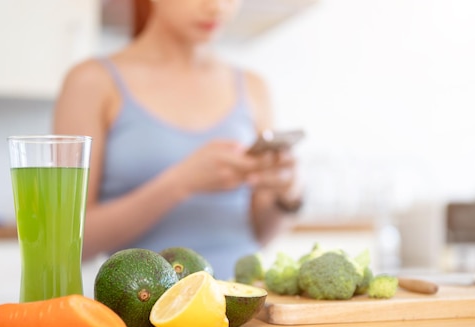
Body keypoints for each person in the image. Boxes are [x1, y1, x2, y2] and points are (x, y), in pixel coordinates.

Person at [53, 0, 303, 280]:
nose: (217, 7)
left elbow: (259, 236)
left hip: (243, 304)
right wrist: (180, 184)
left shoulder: (254, 86)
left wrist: (287, 195)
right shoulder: (91, 81)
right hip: (145, 309)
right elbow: (65, 245)